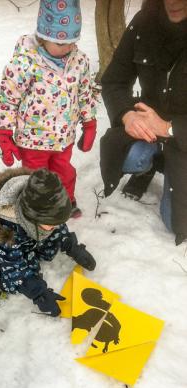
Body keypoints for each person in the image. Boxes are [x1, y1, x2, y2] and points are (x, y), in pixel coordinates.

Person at [0, 0, 97, 218]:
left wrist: (90, 122)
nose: (68, 48)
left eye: (73, 41)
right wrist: (4, 132)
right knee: (36, 176)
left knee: (64, 172)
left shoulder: (79, 61)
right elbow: (8, 98)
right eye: (62, 43)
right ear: (43, 38)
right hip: (32, 139)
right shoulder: (24, 63)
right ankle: (38, 208)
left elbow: (85, 93)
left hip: (63, 138)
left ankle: (64, 202)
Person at [100, 0, 187, 245]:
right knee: (126, 155)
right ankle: (149, 165)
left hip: (182, 137)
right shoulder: (144, 22)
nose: (172, 2)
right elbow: (113, 81)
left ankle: (171, 167)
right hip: (148, 127)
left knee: (175, 223)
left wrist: (171, 128)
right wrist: (127, 116)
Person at [0, 168, 96, 317]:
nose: (56, 226)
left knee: (49, 248)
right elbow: (14, 267)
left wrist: (71, 246)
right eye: (52, 223)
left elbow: (57, 226)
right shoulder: (5, 230)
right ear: (32, 219)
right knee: (21, 278)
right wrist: (38, 293)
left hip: (30, 234)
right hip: (4, 247)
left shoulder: (43, 208)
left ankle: (37, 246)